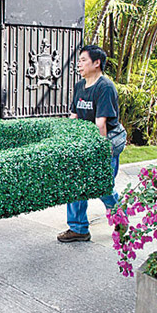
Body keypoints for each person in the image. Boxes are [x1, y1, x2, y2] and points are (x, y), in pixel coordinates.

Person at [57, 44, 121, 243]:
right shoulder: (79, 86)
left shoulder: (105, 87)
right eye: (79, 60)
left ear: (97, 63)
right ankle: (78, 228)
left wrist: (99, 152)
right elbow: (74, 115)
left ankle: (120, 217)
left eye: (83, 60)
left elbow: (101, 124)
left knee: (102, 186)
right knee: (75, 183)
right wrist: (68, 140)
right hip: (84, 142)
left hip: (105, 142)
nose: (79, 64)